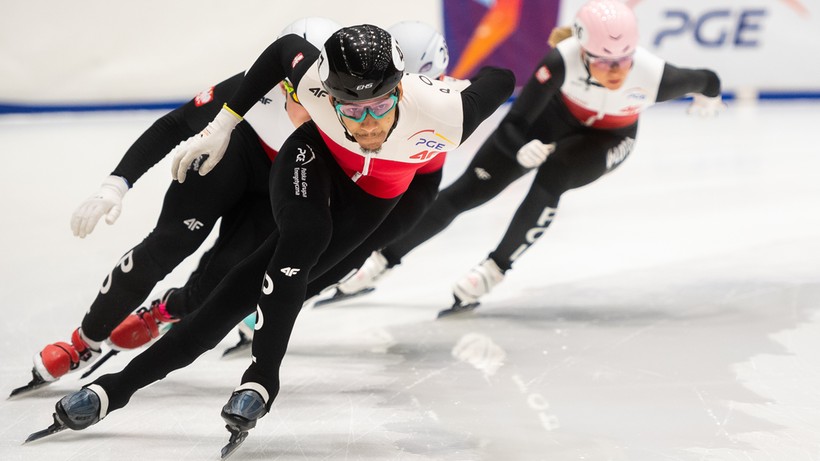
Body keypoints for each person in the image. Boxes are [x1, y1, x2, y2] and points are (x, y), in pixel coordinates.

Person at [41, 23, 514, 447]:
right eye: (351, 109)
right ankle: (236, 381)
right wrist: (223, 126)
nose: (367, 124)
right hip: (314, 156)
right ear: (328, 95)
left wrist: (458, 86)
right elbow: (283, 48)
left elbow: (503, 78)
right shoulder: (311, 85)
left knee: (261, 289)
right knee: (300, 242)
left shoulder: (447, 114)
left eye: (379, 106)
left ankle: (137, 378)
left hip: (376, 194)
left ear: (401, 92)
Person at [331, 0, 725, 314]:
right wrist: (519, 147)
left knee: (555, 175)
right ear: (583, 51)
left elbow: (708, 78)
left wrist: (711, 98)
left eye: (623, 60)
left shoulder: (656, 76)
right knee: (468, 191)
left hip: (609, 137)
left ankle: (494, 268)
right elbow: (518, 119)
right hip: (551, 121)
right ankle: (381, 262)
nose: (616, 71)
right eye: (603, 61)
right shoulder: (561, 59)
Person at [17, 17, 342, 395]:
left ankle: (168, 309)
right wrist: (116, 183)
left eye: (325, 93)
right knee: (165, 246)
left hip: (280, 180)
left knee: (223, 281)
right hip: (232, 157)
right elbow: (176, 124)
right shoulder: (251, 85)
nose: (311, 105)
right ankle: (84, 341)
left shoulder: (347, 110)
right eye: (298, 92)